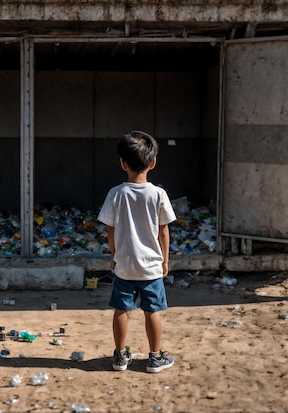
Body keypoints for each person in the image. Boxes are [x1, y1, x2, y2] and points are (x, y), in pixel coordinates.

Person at [97, 130, 176, 373]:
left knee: (122, 310)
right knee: (153, 311)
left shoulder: (115, 194)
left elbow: (110, 230)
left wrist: (114, 254)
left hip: (125, 266)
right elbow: (164, 232)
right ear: (153, 162)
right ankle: (154, 358)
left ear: (123, 163)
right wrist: (164, 261)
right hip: (151, 266)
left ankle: (120, 356)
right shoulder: (158, 194)